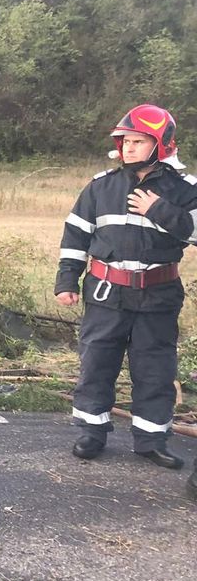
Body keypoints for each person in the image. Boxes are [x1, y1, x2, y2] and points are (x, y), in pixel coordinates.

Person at [55, 104, 197, 469]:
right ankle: (91, 432)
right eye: (124, 141)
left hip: (158, 294)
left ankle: (151, 440)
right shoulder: (101, 186)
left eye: (138, 141)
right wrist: (67, 280)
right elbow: (76, 235)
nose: (128, 148)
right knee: (97, 363)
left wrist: (161, 211)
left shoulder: (185, 190)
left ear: (162, 143)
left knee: (155, 368)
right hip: (106, 293)